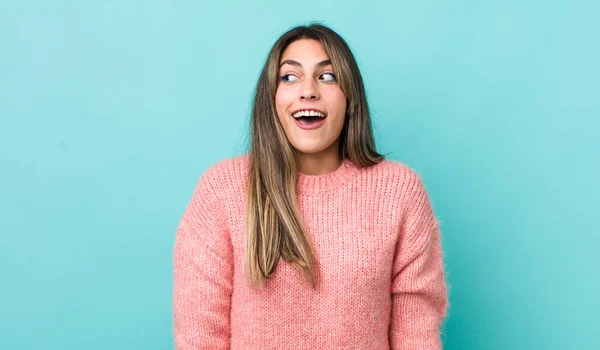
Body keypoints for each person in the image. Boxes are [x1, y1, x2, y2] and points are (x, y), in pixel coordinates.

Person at [172, 22, 449, 349]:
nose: (308, 90)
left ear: (350, 98)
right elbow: (200, 334)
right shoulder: (222, 190)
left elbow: (415, 335)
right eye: (289, 77)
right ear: (271, 99)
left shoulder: (400, 191)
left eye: (327, 76)